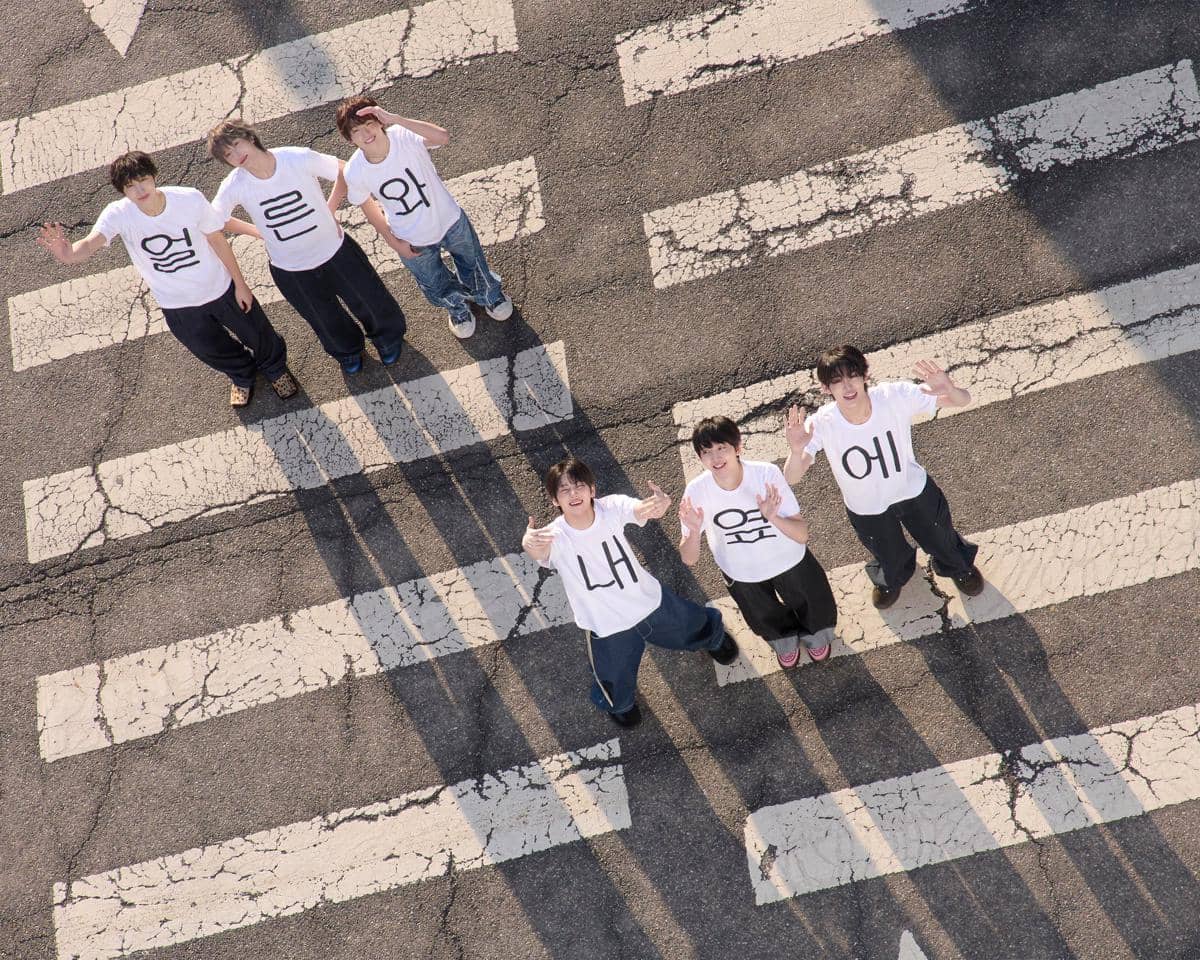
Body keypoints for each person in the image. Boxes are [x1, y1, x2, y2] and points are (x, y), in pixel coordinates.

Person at [36, 151, 297, 408]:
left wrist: (240, 284)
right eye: (130, 186)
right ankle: (242, 374)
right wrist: (68, 254)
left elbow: (217, 240)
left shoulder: (188, 199)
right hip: (177, 304)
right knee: (209, 349)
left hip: (219, 288)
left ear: (153, 176)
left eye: (143, 180)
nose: (140, 190)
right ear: (122, 191)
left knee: (258, 333)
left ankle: (275, 369)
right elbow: (91, 244)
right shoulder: (118, 214)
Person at [522, 458, 737, 727]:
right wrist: (528, 542)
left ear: (592, 489)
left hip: (647, 600)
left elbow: (639, 509)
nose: (573, 494)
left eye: (578, 486)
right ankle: (620, 704)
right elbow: (538, 550)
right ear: (555, 500)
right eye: (564, 490)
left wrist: (656, 506)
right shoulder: (555, 535)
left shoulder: (609, 508)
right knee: (613, 673)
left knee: (688, 624)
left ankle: (714, 638)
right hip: (605, 624)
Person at [783, 345, 984, 609]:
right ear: (825, 389)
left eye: (852, 375)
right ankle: (892, 578)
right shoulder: (823, 423)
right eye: (836, 381)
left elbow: (962, 400)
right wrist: (796, 451)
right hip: (867, 507)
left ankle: (959, 566)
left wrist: (949, 387)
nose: (847, 386)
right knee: (887, 553)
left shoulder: (893, 396)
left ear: (865, 375)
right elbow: (792, 477)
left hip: (912, 490)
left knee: (940, 537)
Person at [207, 119, 407, 375]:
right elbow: (214, 221)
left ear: (250, 137)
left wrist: (330, 207)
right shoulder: (234, 185)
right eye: (228, 154)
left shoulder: (295, 158)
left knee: (369, 298)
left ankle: (388, 338)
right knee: (323, 318)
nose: (236, 155)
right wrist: (257, 232)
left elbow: (344, 171)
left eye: (236, 144)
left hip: (335, 250)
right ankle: (348, 352)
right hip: (290, 268)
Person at [335, 94, 514, 340]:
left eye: (370, 124)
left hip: (450, 220)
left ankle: (489, 296)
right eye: (356, 131)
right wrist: (392, 241)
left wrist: (396, 118)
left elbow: (442, 137)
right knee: (434, 281)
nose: (366, 134)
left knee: (472, 263)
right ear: (349, 139)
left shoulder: (403, 135)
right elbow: (365, 204)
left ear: (380, 121)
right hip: (411, 237)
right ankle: (458, 308)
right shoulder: (356, 170)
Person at [679, 416, 837, 668]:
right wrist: (694, 531)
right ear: (700, 458)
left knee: (813, 603)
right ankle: (784, 642)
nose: (716, 458)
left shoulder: (766, 474)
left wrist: (773, 517)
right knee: (763, 615)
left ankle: (817, 637)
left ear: (738, 447)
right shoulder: (696, 492)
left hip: (789, 560)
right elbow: (689, 558)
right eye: (707, 452)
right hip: (742, 572)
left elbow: (801, 534)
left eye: (722, 448)